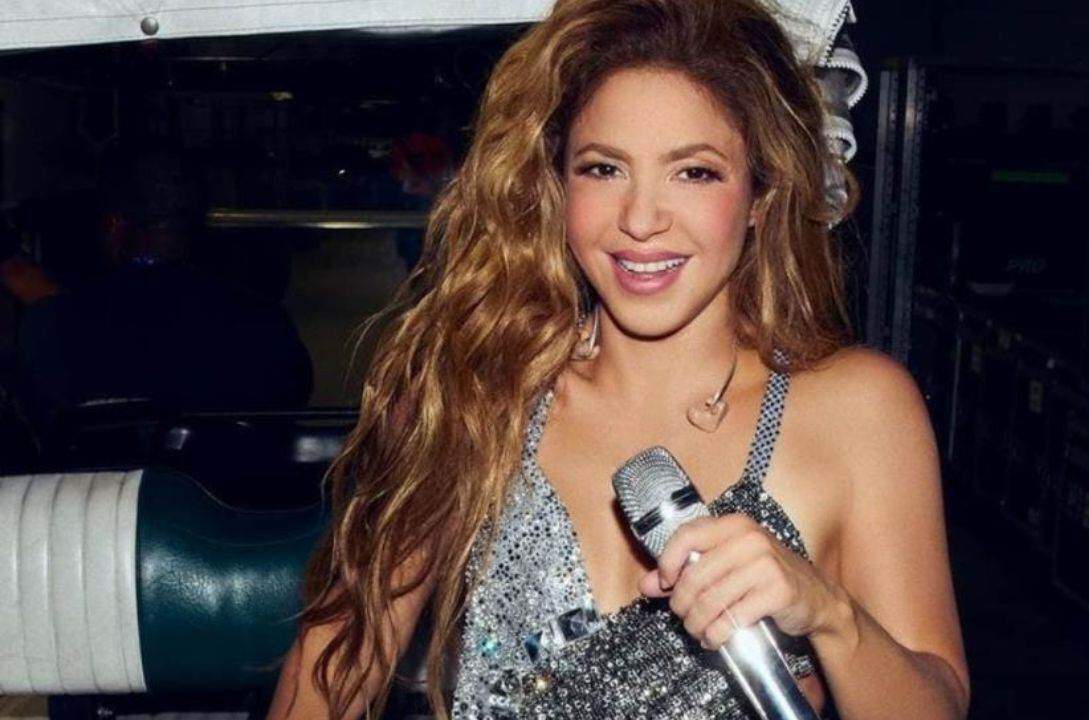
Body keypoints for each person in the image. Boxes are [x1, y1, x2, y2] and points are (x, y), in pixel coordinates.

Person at [268, 0, 969, 718]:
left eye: (694, 173)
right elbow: (330, 670)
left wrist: (829, 614)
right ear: (556, 184)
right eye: (603, 169)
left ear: (762, 193)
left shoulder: (858, 410)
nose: (639, 220)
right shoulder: (479, 389)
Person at [2, 148, 314, 437]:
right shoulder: (264, 320)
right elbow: (290, 398)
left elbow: (41, 414)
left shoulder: (58, 323)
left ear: (113, 226)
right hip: (233, 475)